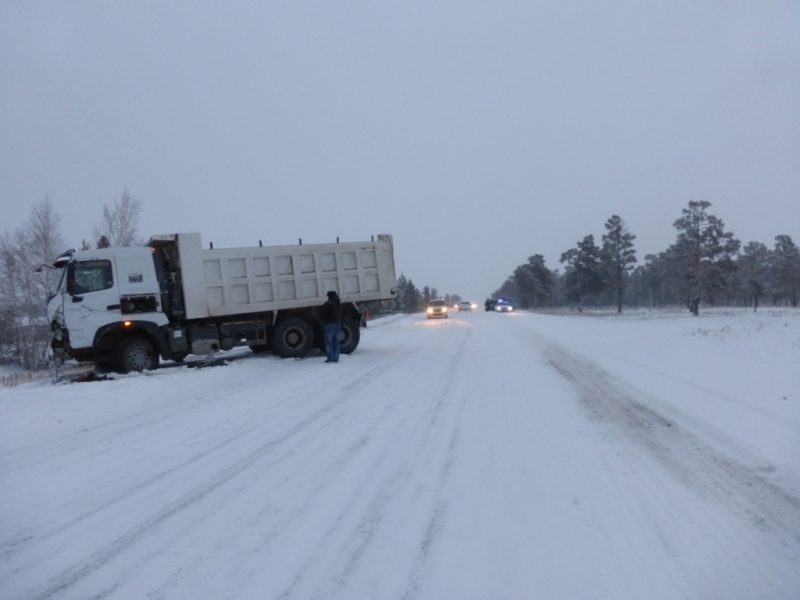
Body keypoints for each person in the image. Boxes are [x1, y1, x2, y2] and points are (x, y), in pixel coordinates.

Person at [321, 290, 343, 363]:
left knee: (329, 342)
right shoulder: (339, 303)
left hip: (329, 324)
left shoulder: (328, 304)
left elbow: (323, 314)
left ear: (329, 296)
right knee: (336, 342)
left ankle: (330, 358)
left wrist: (322, 321)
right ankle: (336, 358)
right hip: (338, 323)